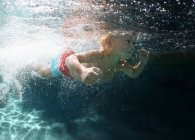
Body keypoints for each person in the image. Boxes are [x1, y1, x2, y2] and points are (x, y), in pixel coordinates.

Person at [31, 32, 149, 85]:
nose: (132, 46)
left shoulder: (121, 64)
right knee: (44, 73)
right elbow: (70, 58)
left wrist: (142, 62)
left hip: (74, 70)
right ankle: (30, 64)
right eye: (128, 41)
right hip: (69, 65)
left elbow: (133, 73)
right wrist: (82, 71)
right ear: (109, 42)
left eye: (134, 43)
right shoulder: (97, 55)